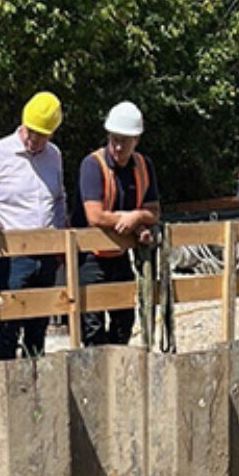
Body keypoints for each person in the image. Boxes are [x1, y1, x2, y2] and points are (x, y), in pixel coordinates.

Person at [0, 91, 66, 360]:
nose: (33, 139)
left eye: (42, 135)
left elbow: (59, 199)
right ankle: (4, 381)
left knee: (39, 328)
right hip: (11, 254)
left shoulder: (54, 156)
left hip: (46, 252)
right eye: (30, 132)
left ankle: (35, 380)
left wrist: (61, 240)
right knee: (8, 327)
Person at [76, 101, 159, 345]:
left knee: (124, 321)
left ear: (136, 140)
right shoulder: (92, 165)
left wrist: (137, 218)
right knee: (92, 327)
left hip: (120, 254)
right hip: (90, 256)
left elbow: (154, 212)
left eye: (124, 141)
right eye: (114, 140)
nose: (118, 147)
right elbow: (95, 216)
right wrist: (128, 219)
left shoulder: (144, 166)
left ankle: (117, 364)